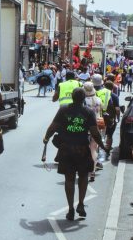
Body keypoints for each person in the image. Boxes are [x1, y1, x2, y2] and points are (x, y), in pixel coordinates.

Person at [43, 87, 104, 221]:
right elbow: (94, 132)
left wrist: (46, 138)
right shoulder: (88, 112)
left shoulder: (64, 109)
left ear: (72, 96)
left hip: (66, 149)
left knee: (69, 179)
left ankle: (71, 209)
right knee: (83, 177)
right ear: (84, 99)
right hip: (82, 149)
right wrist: (103, 146)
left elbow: (53, 127)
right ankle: (81, 204)